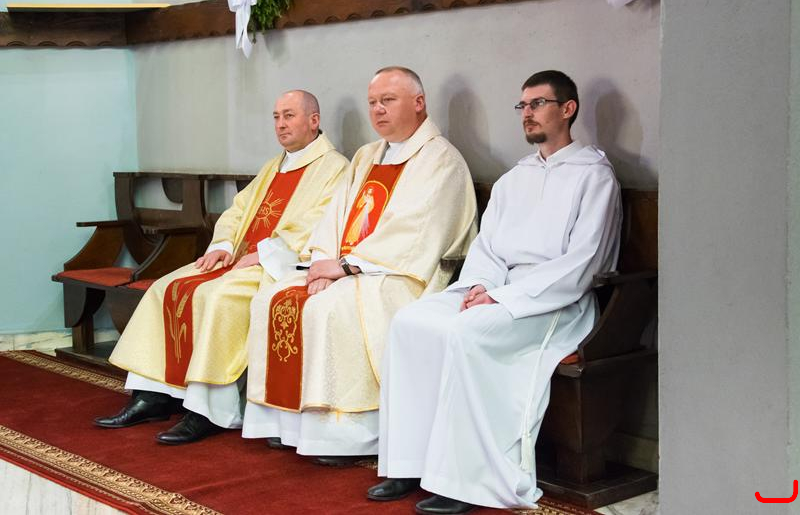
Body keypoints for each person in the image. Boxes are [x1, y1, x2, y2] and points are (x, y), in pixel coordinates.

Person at [369, 70, 622, 514]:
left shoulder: (594, 176)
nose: (527, 114)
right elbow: (487, 246)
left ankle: (464, 479)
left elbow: (584, 262)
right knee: (410, 322)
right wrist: (482, 284)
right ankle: (409, 462)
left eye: (538, 104)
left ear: (568, 109)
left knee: (467, 332)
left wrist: (503, 298)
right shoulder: (514, 178)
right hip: (497, 288)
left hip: (554, 302)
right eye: (523, 105)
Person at [242, 67, 477, 463]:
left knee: (330, 309)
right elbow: (334, 215)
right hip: (350, 268)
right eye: (372, 103)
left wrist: (348, 266)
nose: (378, 110)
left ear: (419, 103)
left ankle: (346, 434)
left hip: (403, 275)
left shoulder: (441, 160)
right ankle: (290, 424)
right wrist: (322, 261)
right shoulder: (367, 156)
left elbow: (418, 231)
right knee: (273, 296)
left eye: (388, 100)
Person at [94, 90, 349, 445]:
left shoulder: (335, 168)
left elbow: (321, 222)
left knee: (219, 299)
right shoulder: (275, 165)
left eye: (289, 116)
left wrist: (266, 253)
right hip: (238, 258)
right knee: (165, 288)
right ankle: (152, 396)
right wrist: (223, 245)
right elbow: (238, 208)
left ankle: (209, 410)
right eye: (276, 117)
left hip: (277, 266)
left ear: (314, 120)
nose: (280, 124)